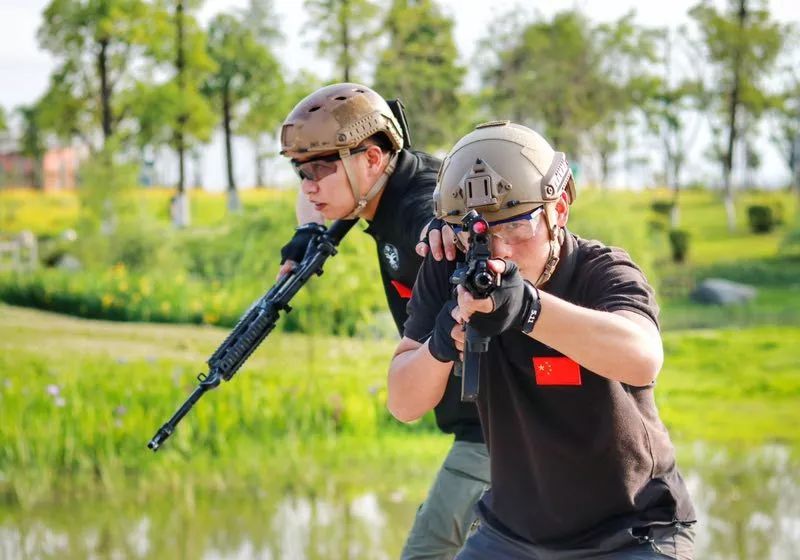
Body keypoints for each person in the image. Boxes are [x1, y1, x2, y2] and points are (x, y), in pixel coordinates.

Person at [387, 121, 697, 559]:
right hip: (512, 534)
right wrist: (440, 344)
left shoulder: (601, 270)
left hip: (632, 530)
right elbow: (403, 403)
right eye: (481, 233)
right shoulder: (451, 270)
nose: (501, 252)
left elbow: (642, 357)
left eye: (516, 227)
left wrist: (528, 309)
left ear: (560, 209)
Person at [277, 83, 490, 559]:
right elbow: (314, 195)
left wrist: (456, 229)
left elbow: (464, 233)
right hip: (478, 427)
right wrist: (308, 230)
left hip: (506, 430)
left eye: (322, 168)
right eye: (301, 171)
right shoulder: (377, 192)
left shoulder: (422, 213)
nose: (309, 185)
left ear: (372, 159)